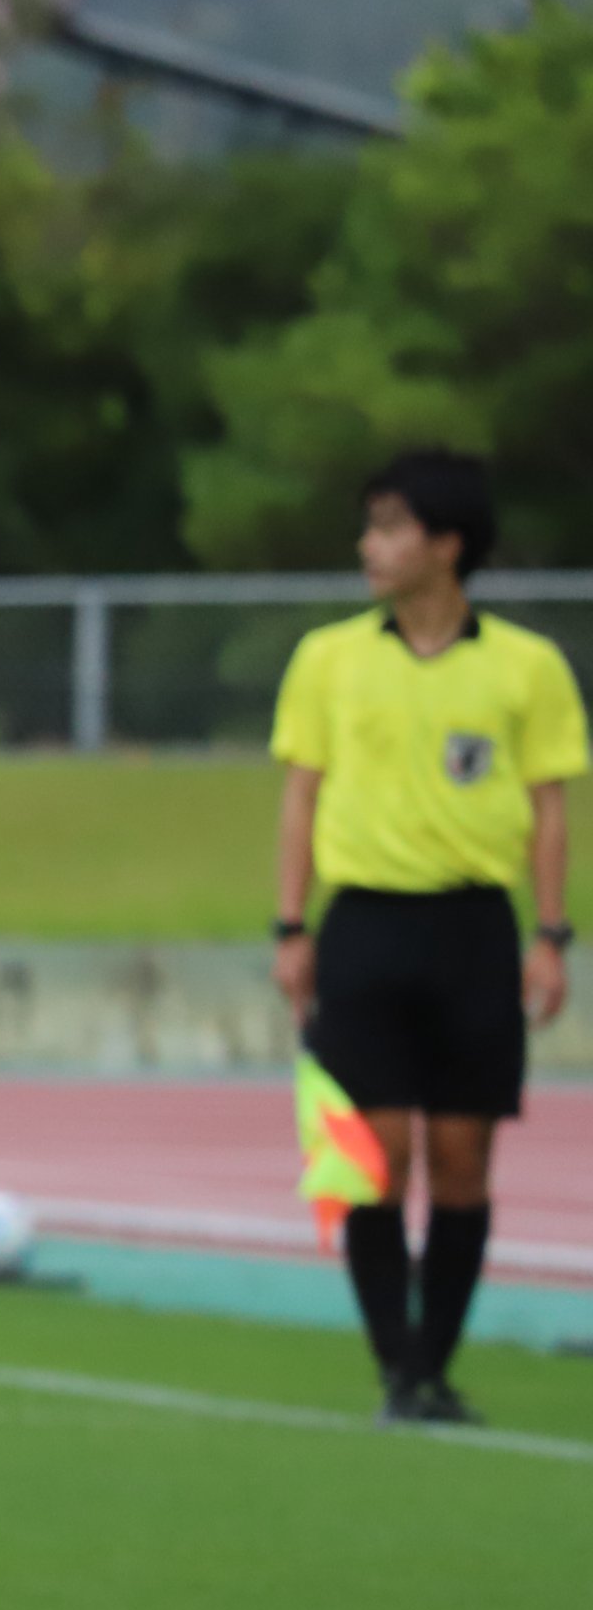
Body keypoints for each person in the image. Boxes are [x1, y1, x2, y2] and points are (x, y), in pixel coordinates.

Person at [269, 448, 584, 1425]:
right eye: (369, 526)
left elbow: (549, 808)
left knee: (459, 1157)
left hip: (473, 929)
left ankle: (434, 1364)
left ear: (447, 544)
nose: (370, 546)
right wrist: (290, 924)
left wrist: (550, 933)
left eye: (391, 527)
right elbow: (300, 795)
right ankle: (393, 1360)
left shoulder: (526, 665)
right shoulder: (328, 657)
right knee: (375, 1155)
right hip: (365, 923)